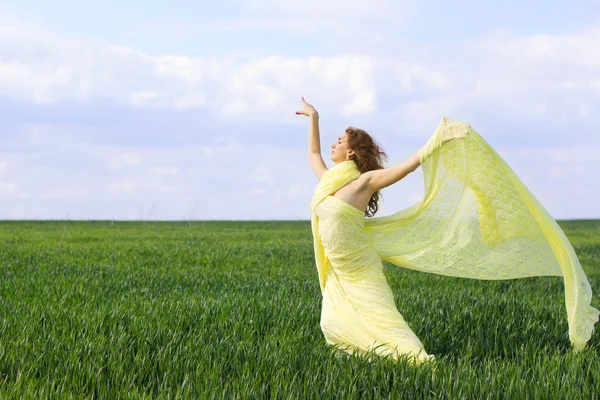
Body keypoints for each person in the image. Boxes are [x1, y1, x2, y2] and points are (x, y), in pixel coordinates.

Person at [296, 97, 437, 364]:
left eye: (339, 141)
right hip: (338, 268)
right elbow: (313, 154)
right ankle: (372, 359)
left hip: (361, 269)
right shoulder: (329, 182)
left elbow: (406, 167)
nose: (333, 144)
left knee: (384, 319)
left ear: (350, 152)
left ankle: (418, 361)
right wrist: (313, 116)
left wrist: (438, 139)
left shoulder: (364, 182)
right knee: (332, 323)